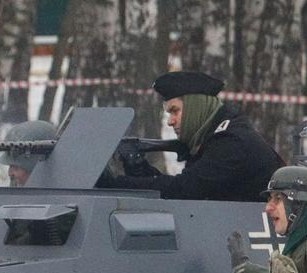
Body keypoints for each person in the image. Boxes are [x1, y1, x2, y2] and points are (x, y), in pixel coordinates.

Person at [117, 70, 281, 202]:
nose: (170, 122)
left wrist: (116, 184)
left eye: (175, 111)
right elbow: (191, 191)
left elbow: (185, 191)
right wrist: (138, 168)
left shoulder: (230, 142)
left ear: (195, 108)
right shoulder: (213, 136)